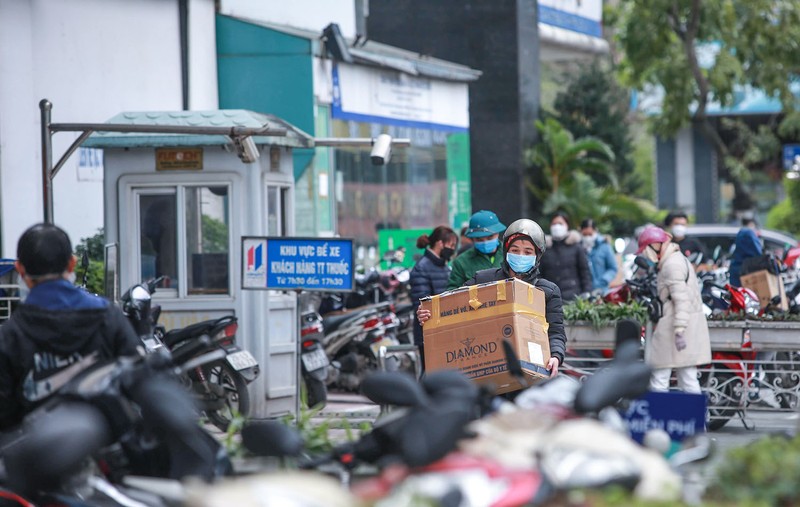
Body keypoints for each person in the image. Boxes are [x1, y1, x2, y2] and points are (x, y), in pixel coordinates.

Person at [0, 223, 141, 431]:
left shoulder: (10, 334)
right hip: (108, 448)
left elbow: (4, 411)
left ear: (20, 269)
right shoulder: (109, 317)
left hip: (37, 455)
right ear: (72, 264)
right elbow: (138, 379)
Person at [418, 219, 566, 377]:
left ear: (537, 255)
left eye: (528, 252)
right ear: (506, 251)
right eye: (515, 250)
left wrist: (556, 356)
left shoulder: (547, 291)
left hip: (529, 374)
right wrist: (429, 313)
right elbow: (451, 303)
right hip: (486, 370)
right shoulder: (483, 280)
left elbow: (556, 332)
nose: (520, 255)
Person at [636, 226, 711, 393]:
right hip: (683, 326)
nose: (645, 254)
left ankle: (660, 416)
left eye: (646, 249)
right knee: (688, 378)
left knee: (660, 379)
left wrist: (679, 330)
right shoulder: (676, 259)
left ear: (655, 245)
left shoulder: (672, 266)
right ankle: (695, 417)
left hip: (675, 328)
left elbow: (682, 299)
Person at [410, 226, 458, 366]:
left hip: (444, 330)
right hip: (428, 333)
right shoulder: (422, 267)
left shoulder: (444, 266)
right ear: (440, 243)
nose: (453, 249)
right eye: (451, 245)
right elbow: (421, 304)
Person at [538, 211, 592, 301]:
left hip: (574, 298)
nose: (557, 227)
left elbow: (585, 272)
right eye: (554, 224)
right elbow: (540, 274)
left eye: (560, 223)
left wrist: (587, 292)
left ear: (567, 226)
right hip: (550, 298)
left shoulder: (576, 247)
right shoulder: (545, 249)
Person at [447, 210, 506, 290]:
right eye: (479, 239)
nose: (485, 242)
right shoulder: (461, 262)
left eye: (489, 237)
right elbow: (452, 293)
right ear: (472, 239)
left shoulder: (509, 254)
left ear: (497, 233)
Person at [580, 218, 618, 294]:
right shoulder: (578, 247)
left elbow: (613, 268)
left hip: (602, 291)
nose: (587, 237)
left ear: (595, 231)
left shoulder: (604, 246)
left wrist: (603, 281)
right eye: (585, 234)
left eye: (590, 234)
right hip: (583, 292)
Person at [729, 217, 762, 287]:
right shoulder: (749, 233)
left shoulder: (741, 233)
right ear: (751, 224)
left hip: (736, 272)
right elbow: (758, 252)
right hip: (747, 274)